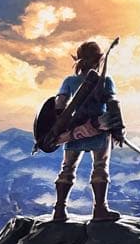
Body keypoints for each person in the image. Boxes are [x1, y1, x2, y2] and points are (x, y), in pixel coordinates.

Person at [52, 40, 124, 222]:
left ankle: (59, 210)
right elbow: (113, 104)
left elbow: (59, 106)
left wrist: (60, 128)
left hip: (73, 131)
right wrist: (118, 129)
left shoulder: (69, 81)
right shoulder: (105, 81)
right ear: (98, 60)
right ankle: (100, 209)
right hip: (99, 129)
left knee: (67, 169)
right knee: (100, 167)